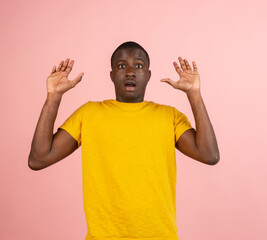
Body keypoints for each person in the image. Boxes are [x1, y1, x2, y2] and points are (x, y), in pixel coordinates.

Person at [28, 41, 219, 240]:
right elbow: (39, 159)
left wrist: (194, 94)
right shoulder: (89, 114)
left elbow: (209, 154)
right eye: (121, 66)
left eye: (138, 65)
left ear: (148, 75)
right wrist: (53, 97)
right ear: (111, 75)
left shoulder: (169, 116)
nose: (129, 71)